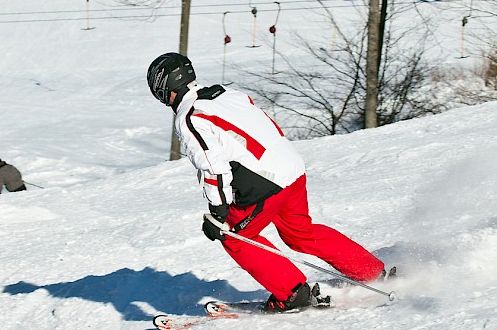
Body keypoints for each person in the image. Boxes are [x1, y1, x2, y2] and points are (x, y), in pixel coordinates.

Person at [146, 53, 387, 312]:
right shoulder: (223, 93)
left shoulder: (190, 116)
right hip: (291, 167)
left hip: (266, 182)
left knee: (235, 235)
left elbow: (213, 166)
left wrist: (218, 211)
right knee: (299, 233)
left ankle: (293, 292)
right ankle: (370, 270)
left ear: (162, 88)